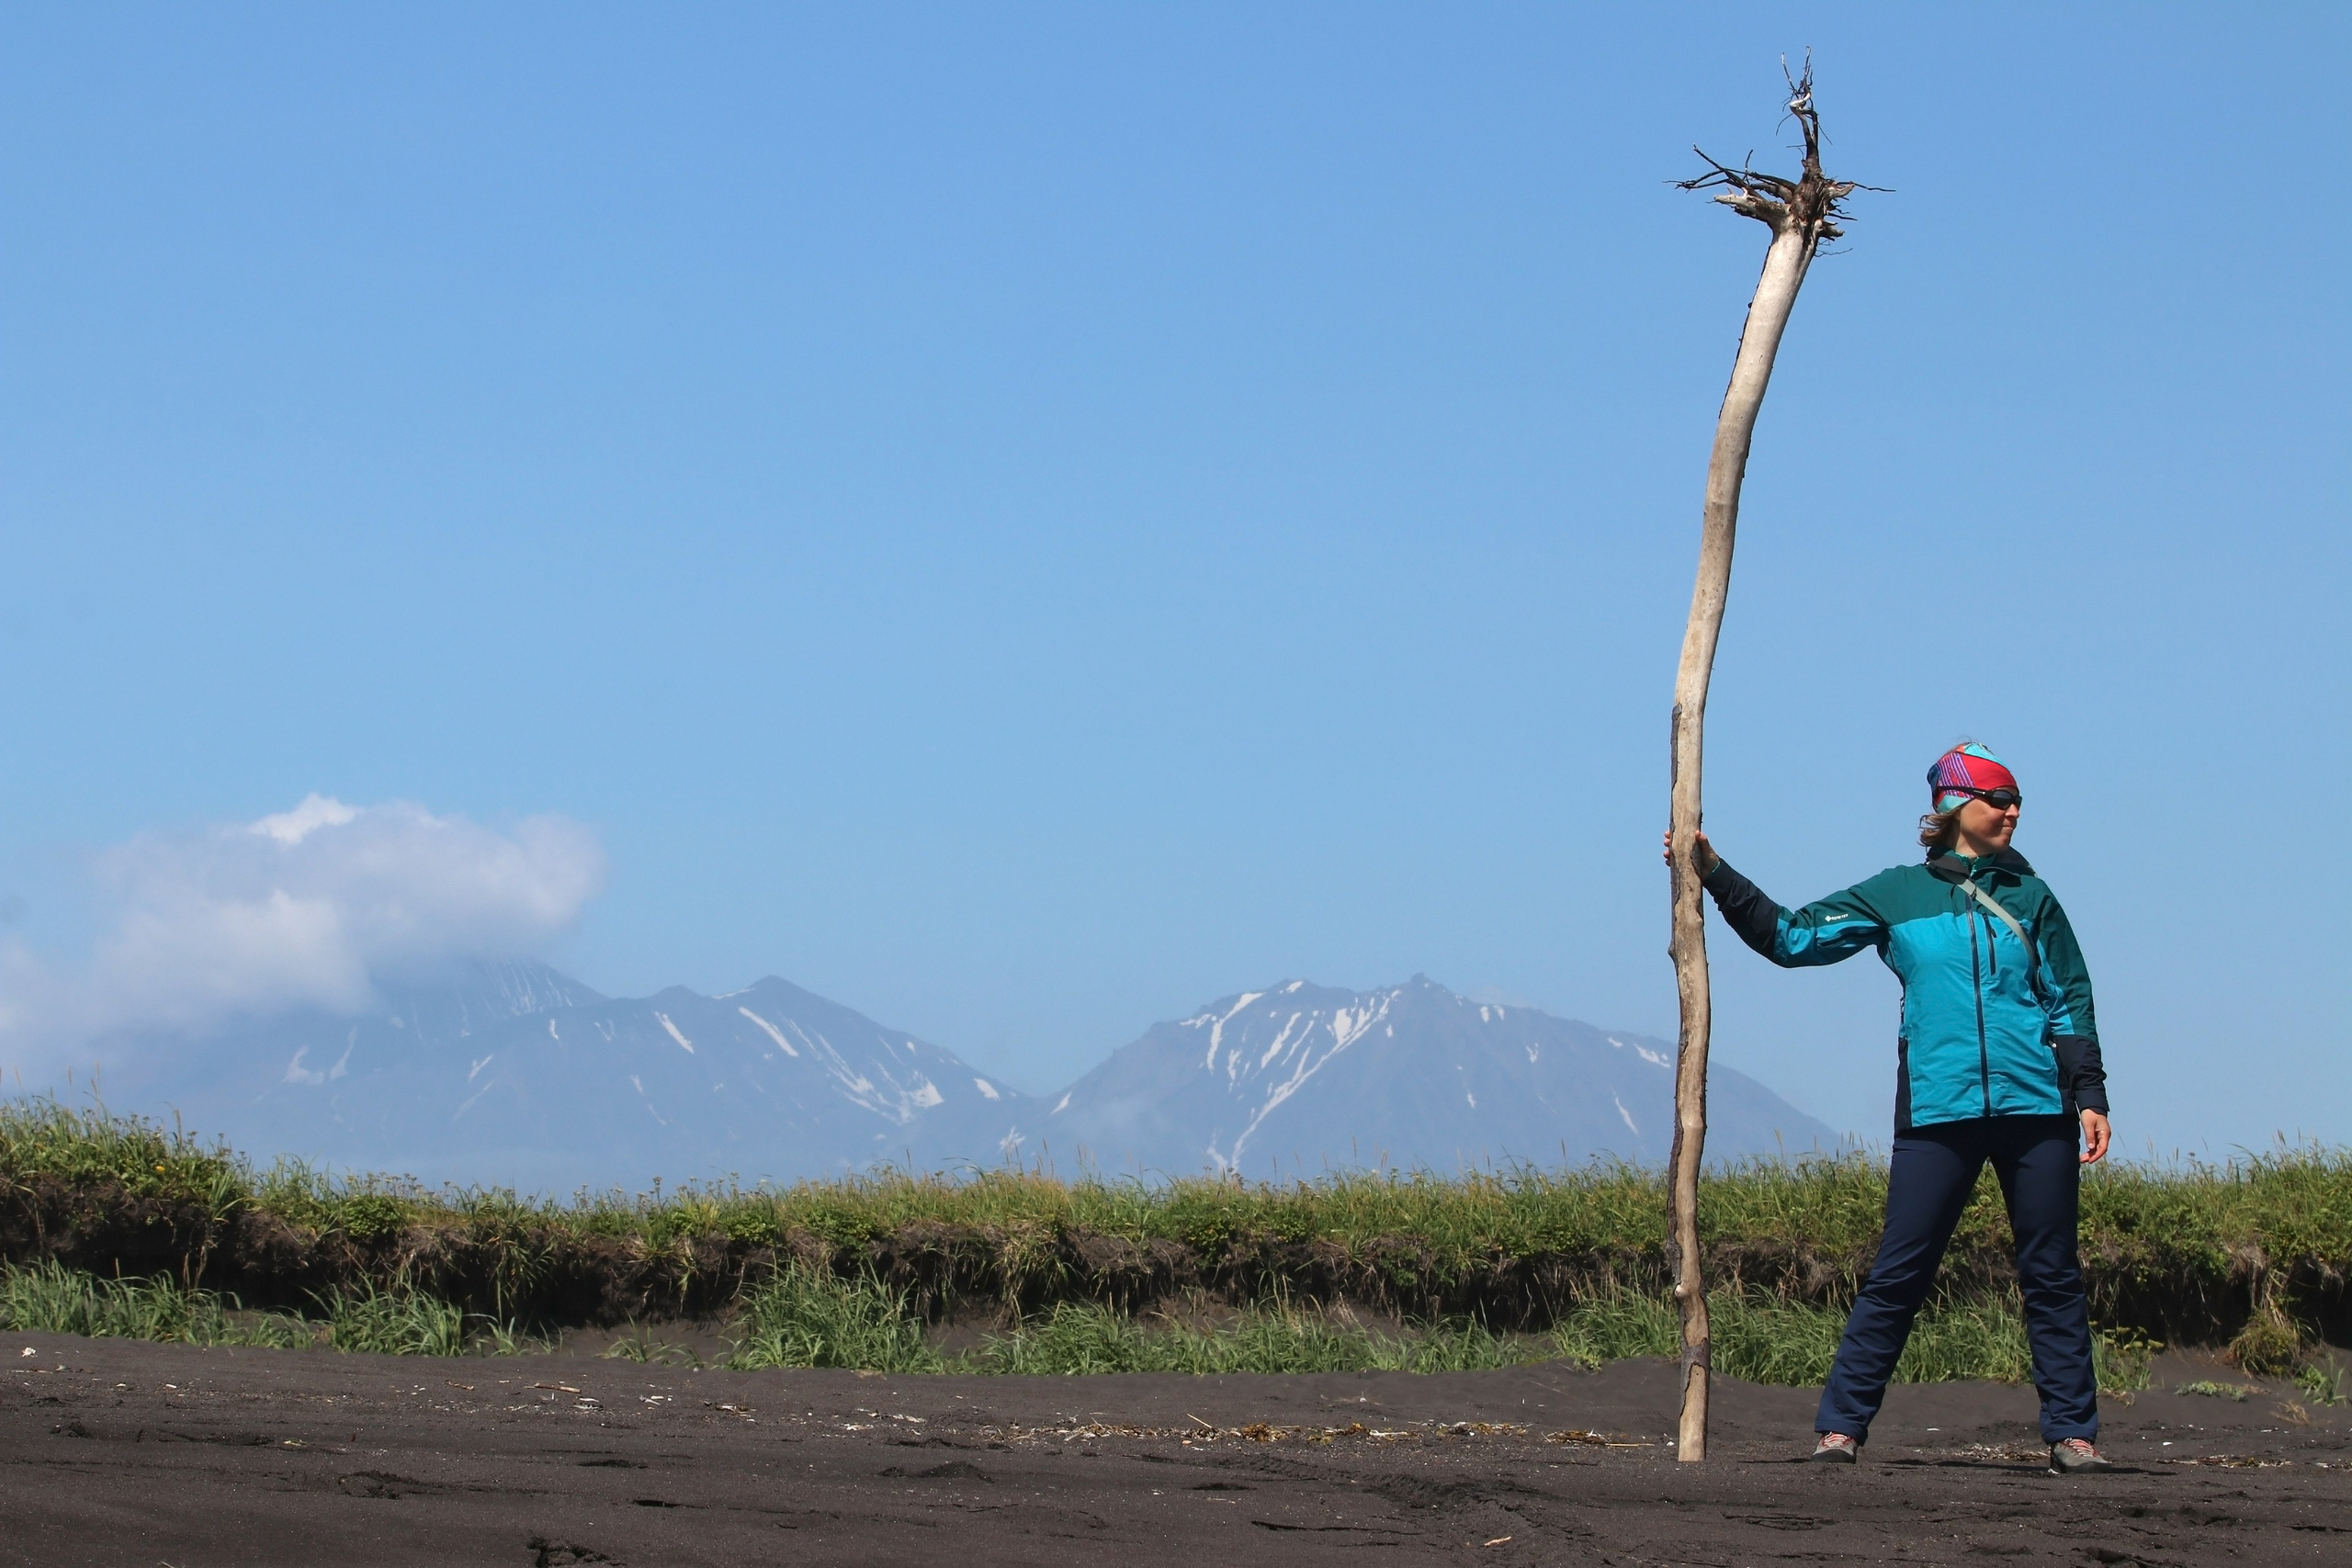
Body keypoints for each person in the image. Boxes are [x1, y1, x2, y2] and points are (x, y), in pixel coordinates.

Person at [1665, 742, 2113, 1475]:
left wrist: (2088, 1094)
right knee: (1900, 1271)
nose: (2012, 811)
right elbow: (1791, 937)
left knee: (2053, 1272)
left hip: (2037, 1106)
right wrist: (1714, 873)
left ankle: (2074, 1435)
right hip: (1939, 1108)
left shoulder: (2033, 898)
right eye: (1999, 799)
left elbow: (2070, 999)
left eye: (2017, 801)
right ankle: (1839, 1430)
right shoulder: (1896, 894)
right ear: (1954, 806)